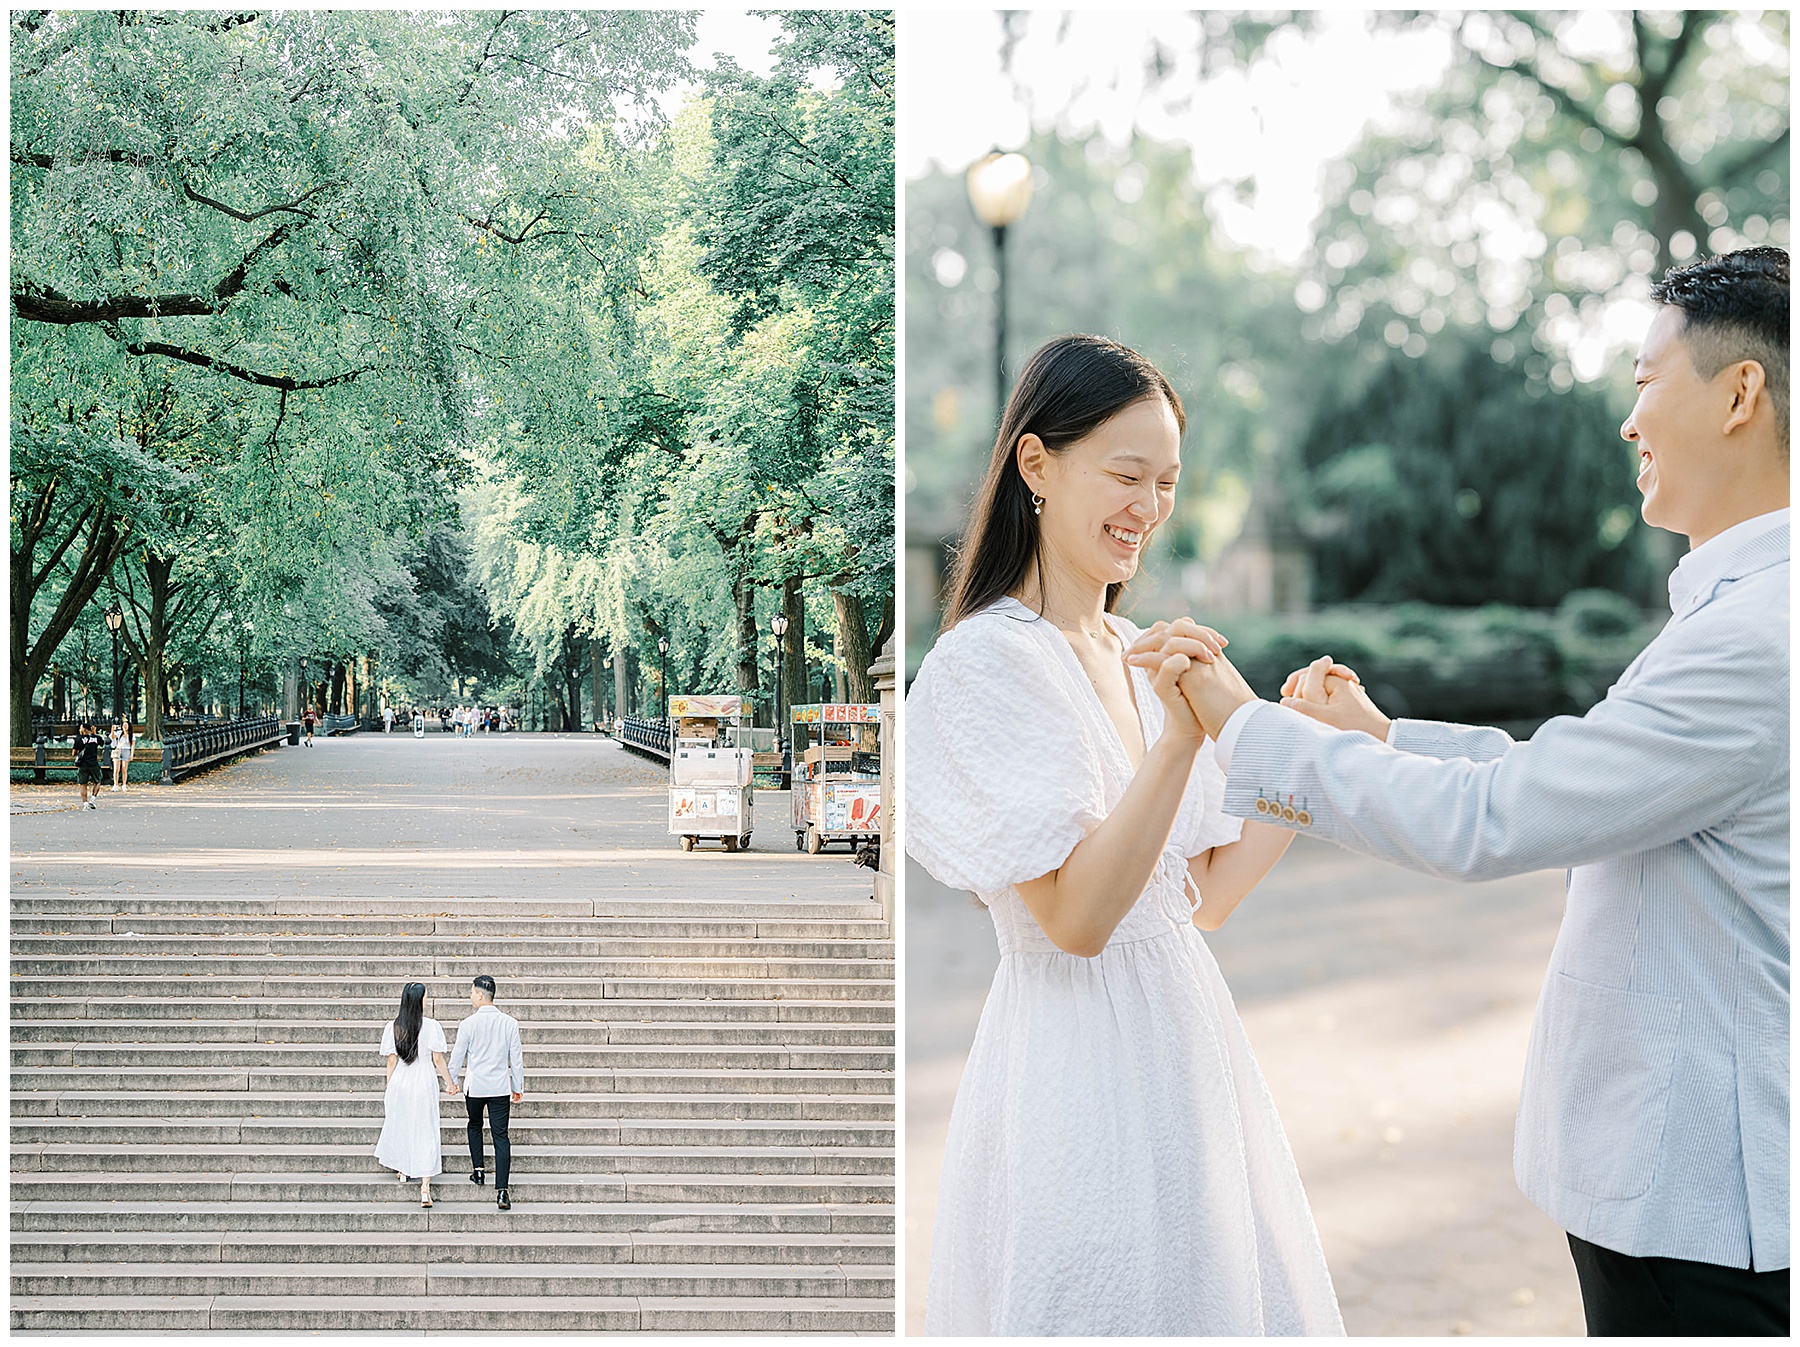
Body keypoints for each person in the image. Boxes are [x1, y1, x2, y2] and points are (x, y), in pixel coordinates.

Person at [1139, 248, 1788, 1337]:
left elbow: (1494, 825)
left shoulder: (1754, 640)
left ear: (1739, 393)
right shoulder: (1748, 613)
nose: (1629, 423)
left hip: (1702, 1210)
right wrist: (1388, 736)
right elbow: (1587, 781)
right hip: (1685, 1190)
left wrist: (1239, 720)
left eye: (1644, 379)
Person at [905, 335, 1342, 1335]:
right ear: (1036, 465)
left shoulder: (1130, 652)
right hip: (1075, 1067)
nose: (1149, 506)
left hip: (1187, 1044)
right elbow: (1078, 918)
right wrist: (1181, 741)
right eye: (1127, 474)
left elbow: (1208, 894)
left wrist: (1298, 752)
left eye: (1169, 482)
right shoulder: (985, 667)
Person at [375, 982, 458, 1208]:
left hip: (401, 1080)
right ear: (419, 1001)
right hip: (423, 1080)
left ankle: (403, 1169)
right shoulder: (432, 1026)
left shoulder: (393, 1027)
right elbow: (438, 1059)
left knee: (402, 1123)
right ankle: (425, 1187)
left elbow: (391, 1061)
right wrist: (450, 1083)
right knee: (425, 1127)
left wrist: (389, 1088)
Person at [449, 974, 525, 1211]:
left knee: (474, 1125)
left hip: (476, 1086)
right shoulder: (510, 1023)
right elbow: (516, 1060)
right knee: (500, 1135)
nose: (470, 996)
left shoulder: (468, 1024)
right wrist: (517, 1086)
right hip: (500, 1086)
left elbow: (458, 1055)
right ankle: (502, 1190)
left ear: (480, 995)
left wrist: (451, 1081)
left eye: (472, 992)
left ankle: (478, 1170)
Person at [72, 719, 106, 810]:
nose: (80, 730)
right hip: (94, 764)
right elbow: (102, 743)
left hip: (83, 764)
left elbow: (73, 753)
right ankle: (93, 799)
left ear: (84, 729)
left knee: (83, 784)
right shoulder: (96, 738)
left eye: (81, 728)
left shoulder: (79, 739)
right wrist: (94, 733)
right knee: (98, 781)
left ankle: (85, 804)